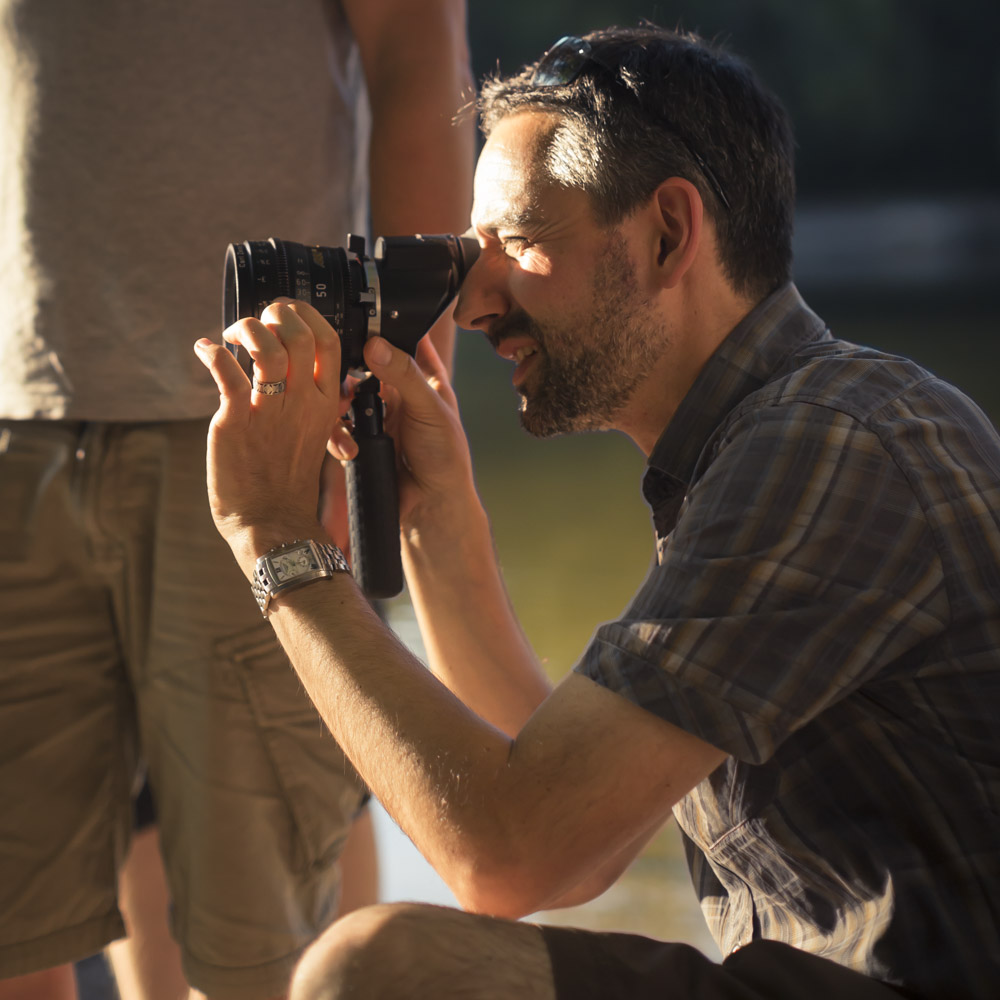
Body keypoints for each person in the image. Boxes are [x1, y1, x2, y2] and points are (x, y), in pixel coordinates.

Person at [193, 24, 1000, 1000]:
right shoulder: (764, 439)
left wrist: (277, 544)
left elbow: (513, 853)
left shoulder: (831, 440)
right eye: (471, 251)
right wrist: (434, 521)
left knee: (380, 971)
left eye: (520, 243)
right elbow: (576, 826)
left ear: (667, 232)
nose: (475, 300)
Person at [0, 2, 473, 998]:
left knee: (266, 952)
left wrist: (386, 400)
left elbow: (417, 54)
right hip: (16, 415)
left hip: (262, 416)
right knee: (14, 926)